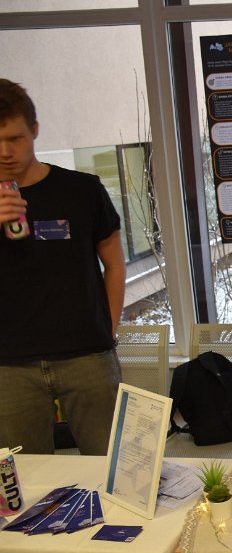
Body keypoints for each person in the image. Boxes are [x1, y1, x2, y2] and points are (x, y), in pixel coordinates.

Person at [0, 79, 124, 455]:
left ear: (35, 130)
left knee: (112, 466)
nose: (6, 152)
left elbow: (114, 264)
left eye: (16, 138)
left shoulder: (82, 190)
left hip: (87, 356)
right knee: (26, 476)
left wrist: (108, 331)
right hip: (9, 365)